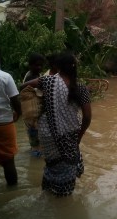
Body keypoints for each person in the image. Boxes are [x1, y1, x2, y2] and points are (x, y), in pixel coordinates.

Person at [20, 52, 92, 197]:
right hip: (70, 135)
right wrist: (80, 134)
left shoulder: (47, 81)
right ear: (74, 67)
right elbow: (87, 117)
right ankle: (63, 197)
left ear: (58, 67)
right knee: (67, 165)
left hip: (48, 135)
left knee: (51, 165)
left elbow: (23, 86)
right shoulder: (81, 89)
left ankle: (48, 190)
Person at [0, 46, 22, 186]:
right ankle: (12, 190)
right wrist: (18, 113)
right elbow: (15, 100)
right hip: (4, 123)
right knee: (9, 161)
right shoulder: (5, 77)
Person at [22, 52, 45, 157]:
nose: (39, 67)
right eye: (37, 65)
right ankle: (35, 164)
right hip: (32, 118)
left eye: (41, 65)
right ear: (30, 65)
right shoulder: (30, 77)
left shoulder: (36, 75)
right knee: (36, 145)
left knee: (36, 142)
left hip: (35, 117)